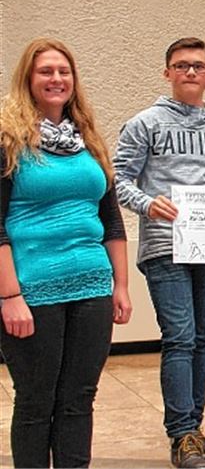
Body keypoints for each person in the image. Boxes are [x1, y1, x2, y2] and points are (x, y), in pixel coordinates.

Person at [0, 38, 132, 468]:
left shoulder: (88, 141)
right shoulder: (8, 140)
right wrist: (9, 297)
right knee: (37, 402)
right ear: (28, 79)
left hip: (92, 286)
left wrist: (121, 286)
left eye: (63, 72)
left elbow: (111, 219)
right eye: (46, 72)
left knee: (79, 399)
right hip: (31, 290)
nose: (56, 79)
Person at [113, 37, 205, 469]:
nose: (190, 72)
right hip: (164, 245)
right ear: (167, 72)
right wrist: (149, 204)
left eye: (198, 66)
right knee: (181, 337)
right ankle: (181, 433)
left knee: (204, 339)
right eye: (181, 65)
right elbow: (119, 181)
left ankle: (194, 427)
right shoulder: (143, 123)